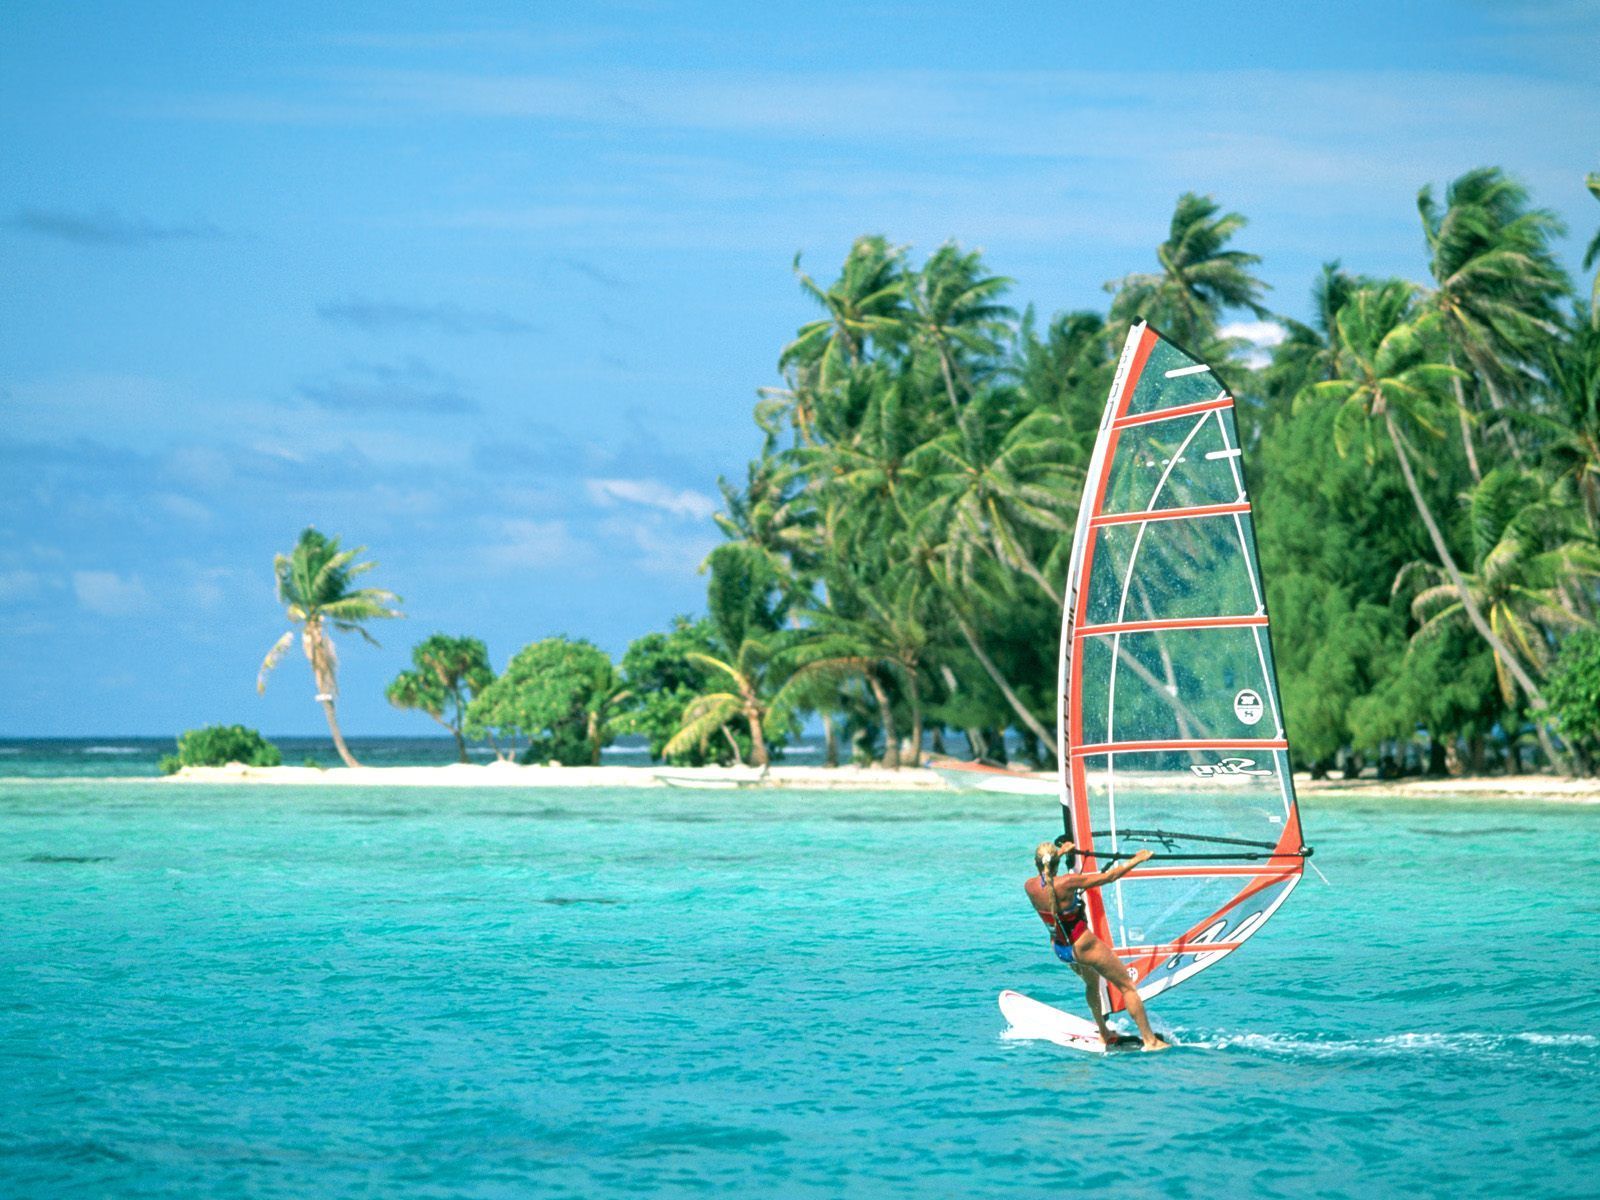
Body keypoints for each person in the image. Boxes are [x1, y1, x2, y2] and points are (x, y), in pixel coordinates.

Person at [1025, 839, 1169, 1051]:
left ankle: (1104, 1033)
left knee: (1092, 983)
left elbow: (1048, 880)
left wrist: (1061, 854)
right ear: (1055, 863)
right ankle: (1150, 1040)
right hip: (1083, 945)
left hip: (1061, 948)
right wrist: (1136, 859)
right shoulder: (1068, 883)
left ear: (1037, 864)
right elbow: (1109, 876)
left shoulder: (1030, 886)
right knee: (1127, 986)